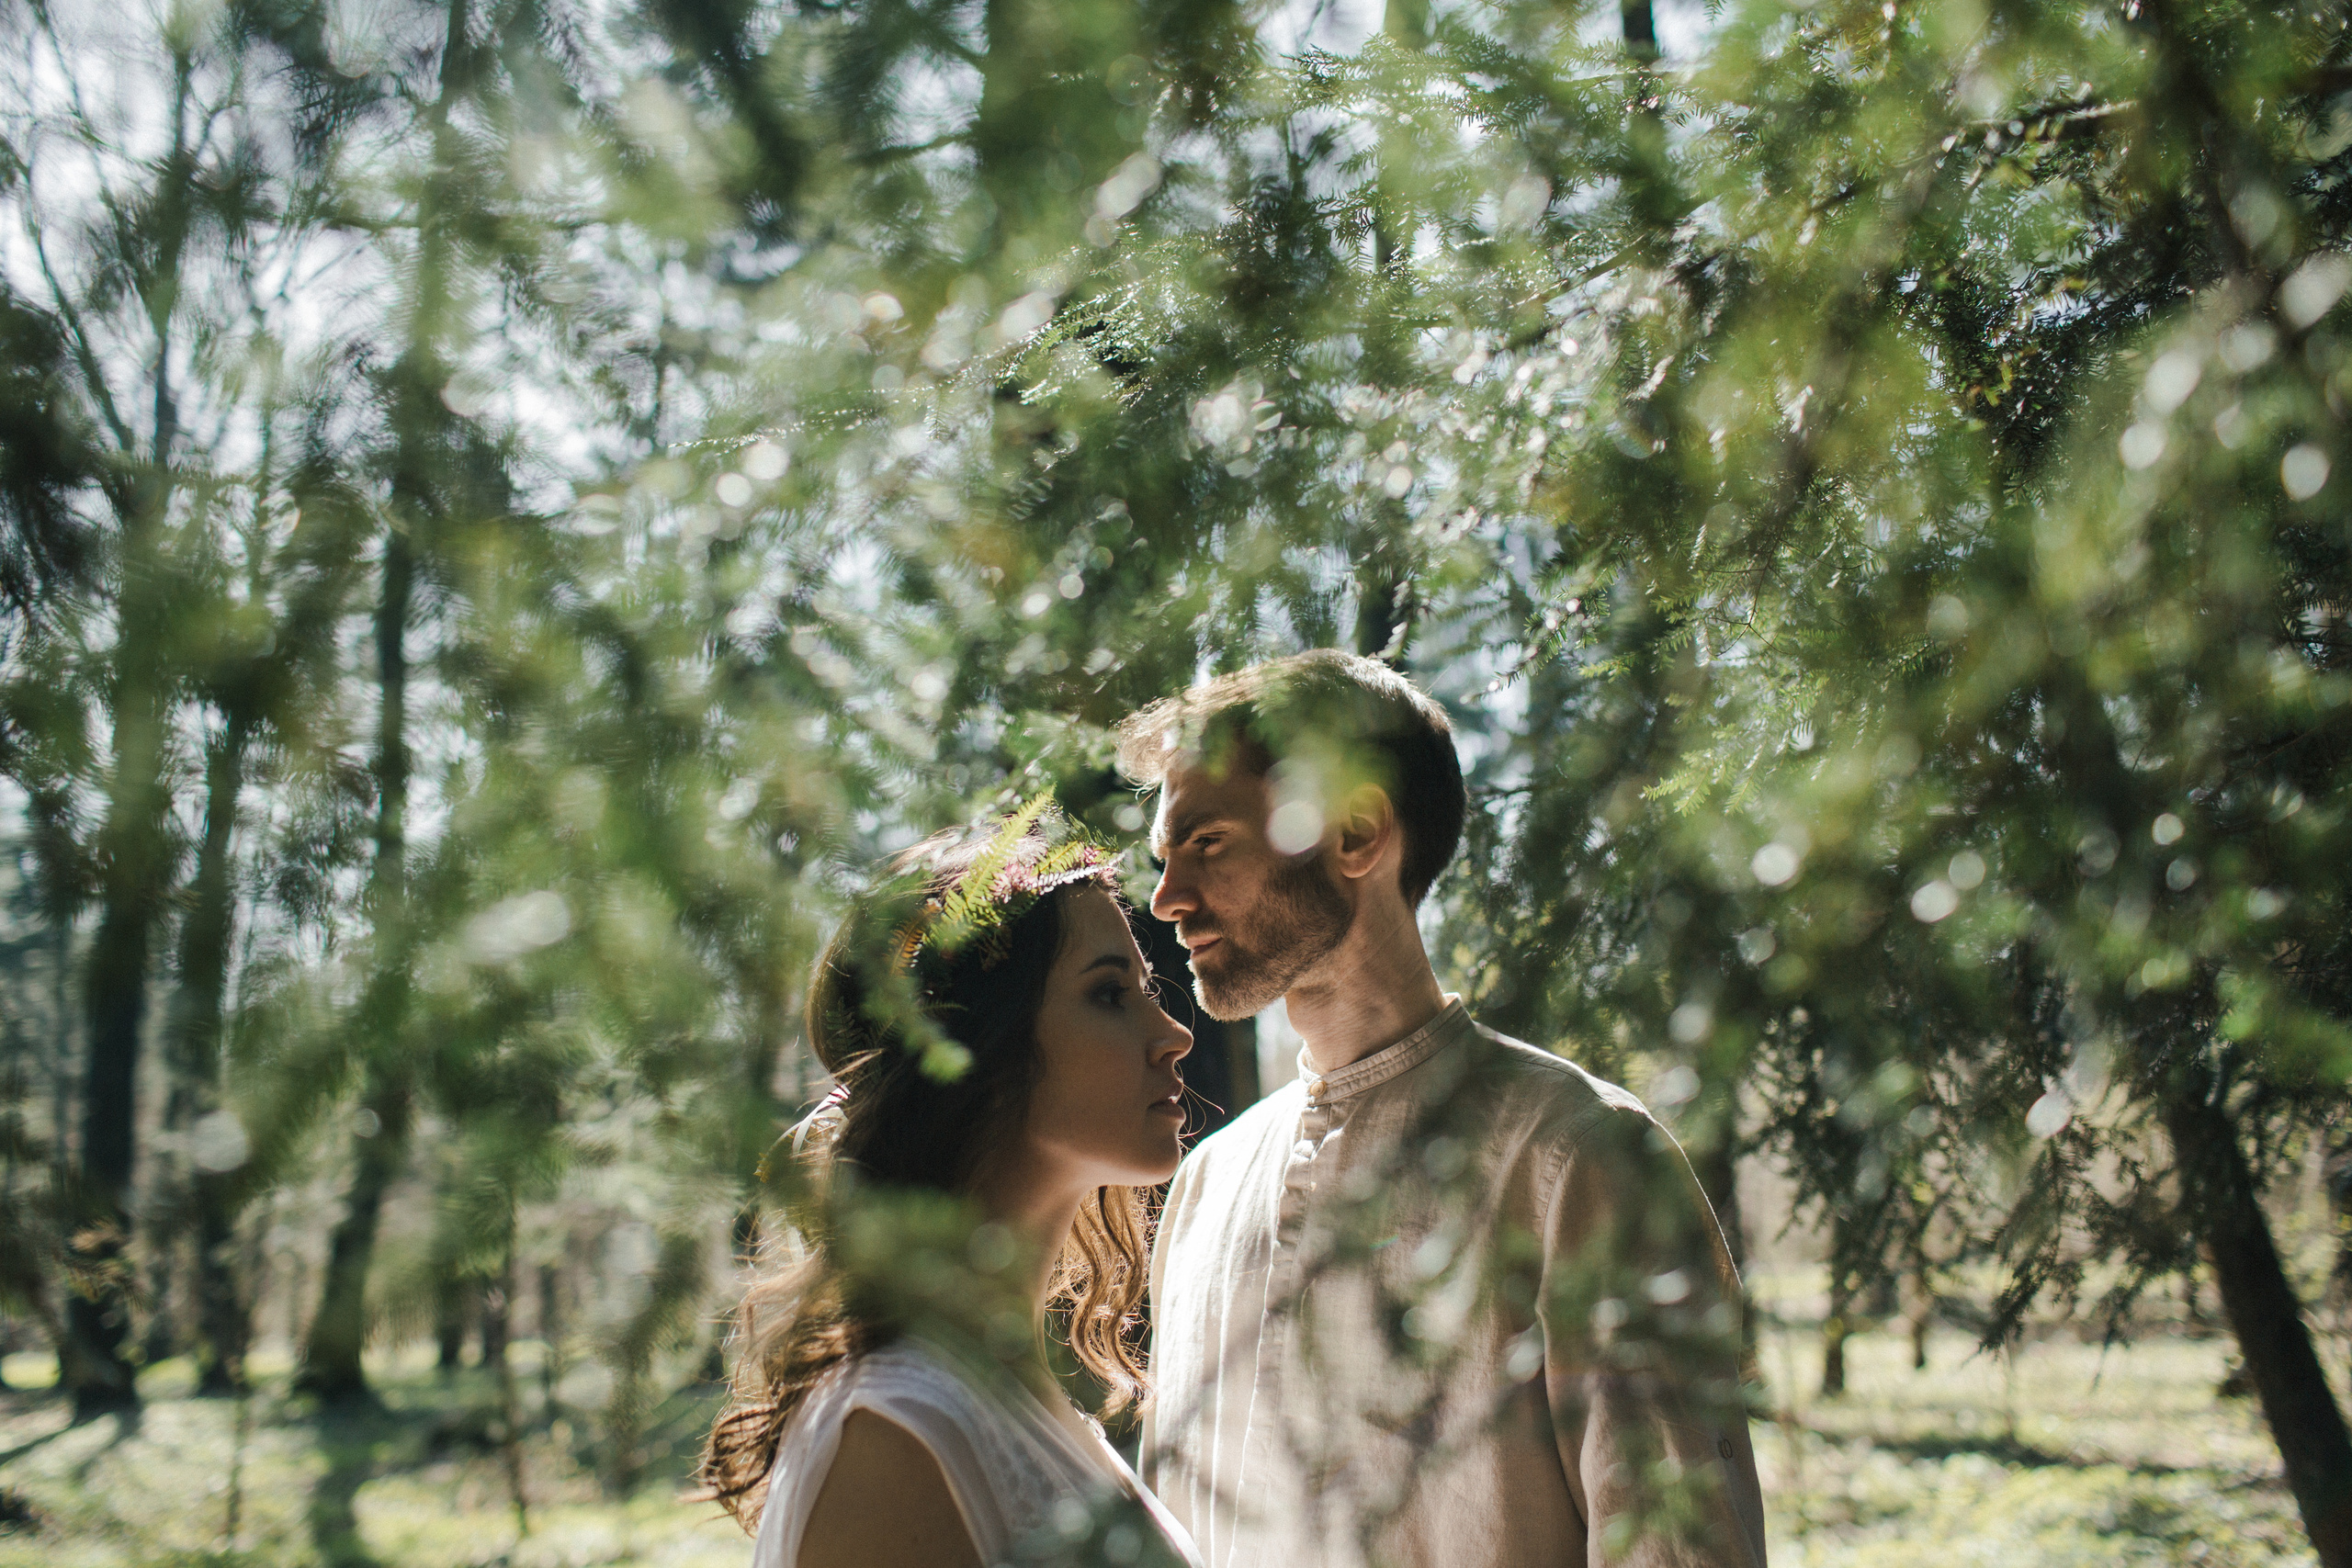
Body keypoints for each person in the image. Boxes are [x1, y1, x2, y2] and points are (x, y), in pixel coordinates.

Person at [1121, 649, 1769, 1568]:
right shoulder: (1202, 1186)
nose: (1167, 899)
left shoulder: (1576, 1157)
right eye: (1162, 857)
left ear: (1352, 836)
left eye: (1208, 843)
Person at [700, 805, 1203, 1568]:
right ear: (981, 1053)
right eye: (1109, 993)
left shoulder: (1012, 1397)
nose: (1175, 1034)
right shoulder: (896, 1435)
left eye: (1149, 988)